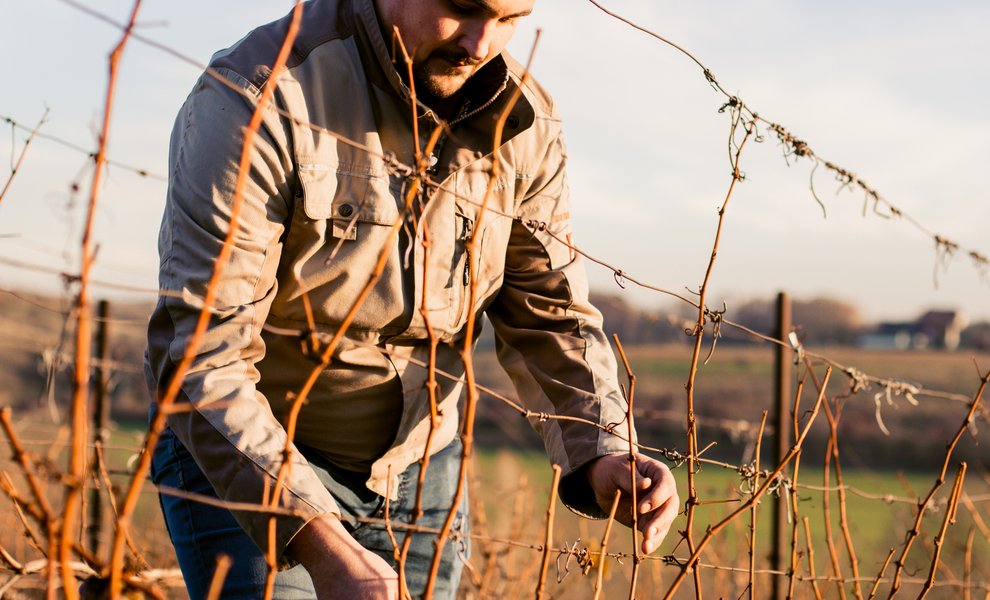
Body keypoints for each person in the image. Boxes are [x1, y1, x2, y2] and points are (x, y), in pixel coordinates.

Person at [144, 0, 679, 598]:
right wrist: (321, 541)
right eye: (462, 8)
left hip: (424, 469)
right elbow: (201, 357)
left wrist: (605, 447)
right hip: (250, 458)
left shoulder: (526, 122)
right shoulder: (259, 97)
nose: (482, 44)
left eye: (510, 19)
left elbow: (549, 309)